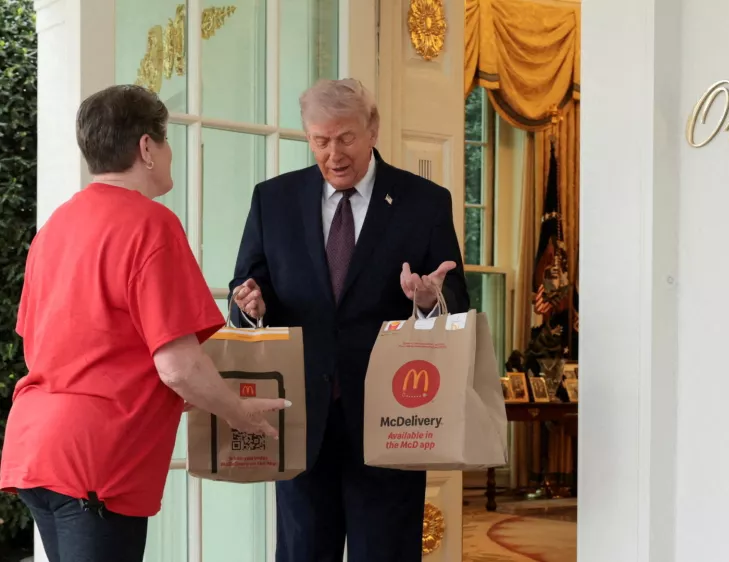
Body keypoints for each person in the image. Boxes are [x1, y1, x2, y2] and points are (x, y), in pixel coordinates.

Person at [0, 85, 289, 562]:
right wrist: (239, 412)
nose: (170, 151)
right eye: (166, 139)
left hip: (36, 450)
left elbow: (57, 347)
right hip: (98, 463)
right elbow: (178, 366)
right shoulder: (151, 224)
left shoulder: (54, 229)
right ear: (146, 147)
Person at [229, 78, 469, 562]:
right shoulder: (273, 200)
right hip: (300, 421)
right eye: (320, 141)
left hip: (392, 421)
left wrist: (427, 301)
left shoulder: (424, 202)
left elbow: (455, 306)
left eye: (346, 138)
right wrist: (249, 307)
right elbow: (247, 291)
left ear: (372, 130)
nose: (333, 154)